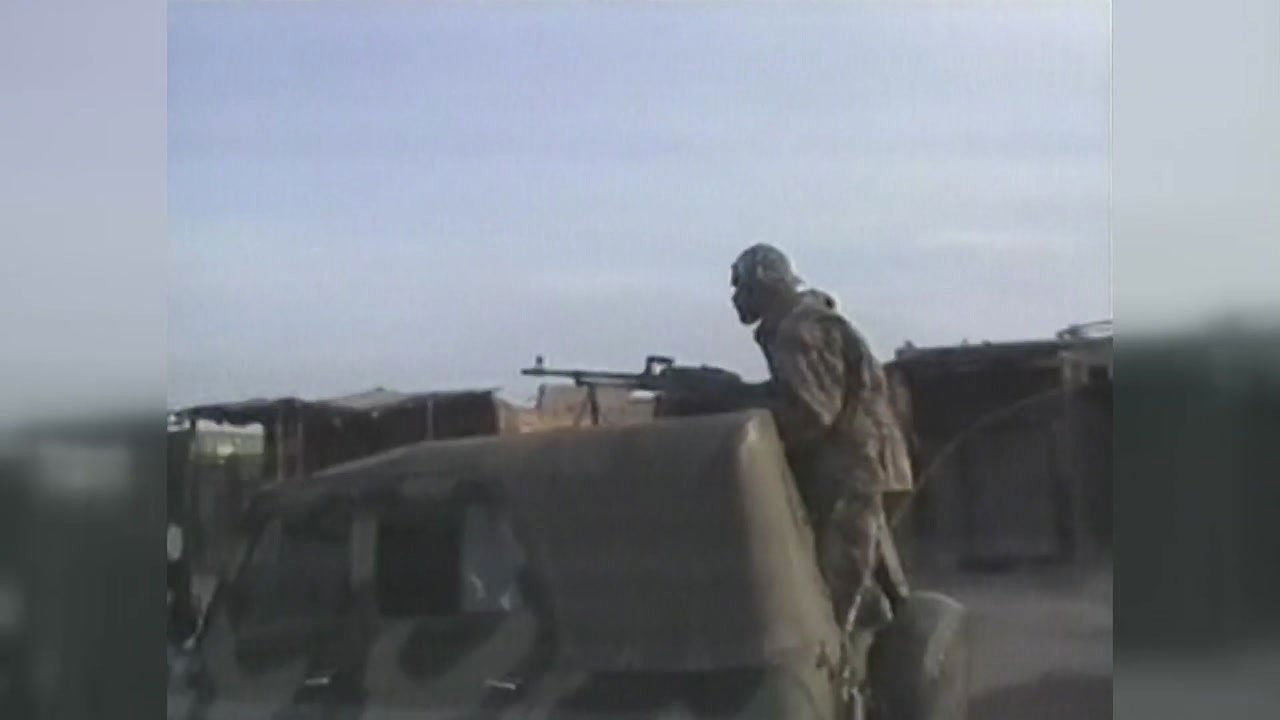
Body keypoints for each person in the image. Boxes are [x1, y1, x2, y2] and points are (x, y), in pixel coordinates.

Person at [729, 243, 913, 688]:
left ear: (764, 284)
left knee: (834, 596)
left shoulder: (798, 329)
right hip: (862, 467)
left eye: (741, 286)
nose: (736, 298)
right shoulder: (802, 322)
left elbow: (811, 413)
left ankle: (838, 690)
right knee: (868, 585)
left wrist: (737, 409)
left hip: (850, 472)